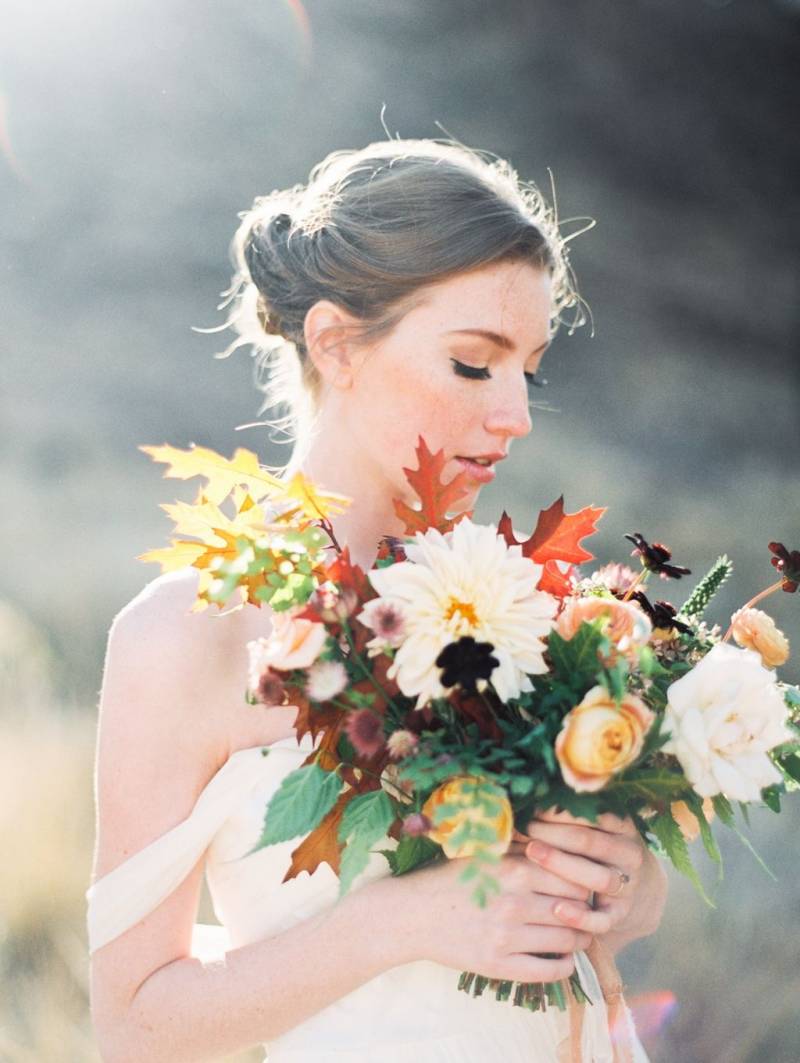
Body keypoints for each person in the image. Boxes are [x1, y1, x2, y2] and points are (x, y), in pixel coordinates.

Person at [87, 138, 667, 1062]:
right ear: (335, 342)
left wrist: (622, 886)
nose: (516, 412)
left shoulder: (526, 608)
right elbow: (133, 1027)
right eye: (476, 364)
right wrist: (400, 920)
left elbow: (601, 922)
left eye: (532, 368)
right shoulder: (186, 637)